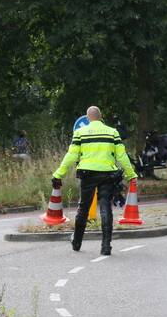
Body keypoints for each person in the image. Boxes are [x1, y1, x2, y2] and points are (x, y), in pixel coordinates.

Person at [52, 106, 138, 255]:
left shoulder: (80, 133)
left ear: (87, 118)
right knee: (105, 207)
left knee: (83, 208)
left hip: (88, 174)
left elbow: (71, 156)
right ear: (101, 117)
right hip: (108, 174)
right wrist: (131, 174)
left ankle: (77, 242)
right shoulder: (112, 132)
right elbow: (122, 156)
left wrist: (59, 174)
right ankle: (106, 246)